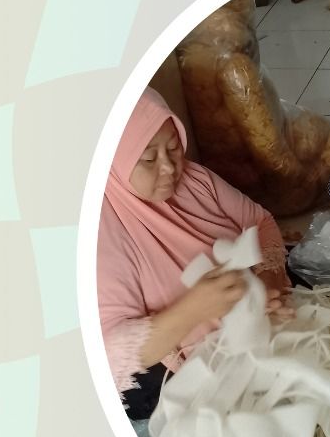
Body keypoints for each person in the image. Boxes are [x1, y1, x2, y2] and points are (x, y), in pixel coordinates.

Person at [98, 87, 292, 418]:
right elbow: (108, 354)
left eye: (174, 148)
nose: (169, 168)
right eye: (148, 159)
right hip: (171, 355)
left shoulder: (194, 179)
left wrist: (270, 280)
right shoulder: (102, 229)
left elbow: (260, 222)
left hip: (250, 320)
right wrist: (193, 310)